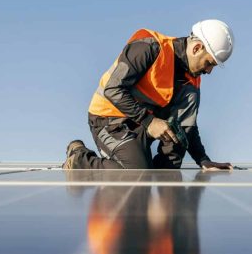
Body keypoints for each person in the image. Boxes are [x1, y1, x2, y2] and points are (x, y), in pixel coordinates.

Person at [63, 19, 234, 170]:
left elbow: (187, 125)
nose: (209, 71)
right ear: (197, 48)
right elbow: (112, 89)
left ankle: (154, 178)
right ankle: (80, 158)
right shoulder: (149, 47)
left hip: (143, 123)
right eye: (209, 63)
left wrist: (203, 159)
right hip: (108, 119)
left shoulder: (192, 79)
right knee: (136, 172)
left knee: (173, 155)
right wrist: (149, 121)